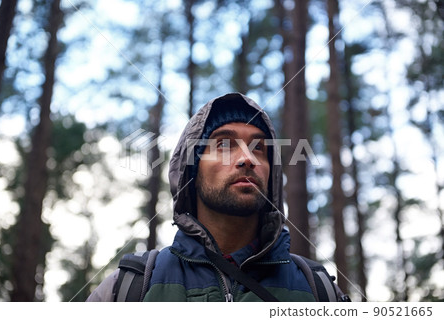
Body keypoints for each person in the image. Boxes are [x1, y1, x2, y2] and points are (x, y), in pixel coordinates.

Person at [87, 92, 345, 302]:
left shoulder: (319, 291)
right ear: (192, 171)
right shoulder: (128, 289)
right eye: (223, 145)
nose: (247, 158)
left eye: (259, 148)